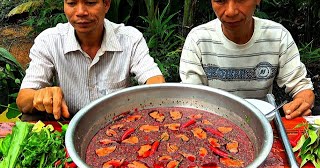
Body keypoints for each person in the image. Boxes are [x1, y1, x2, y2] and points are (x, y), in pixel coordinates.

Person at [16, 0, 165, 120]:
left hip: (119, 125)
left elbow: (154, 79)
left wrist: (153, 96)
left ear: (106, 4)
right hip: (68, 125)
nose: (81, 12)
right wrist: (38, 96)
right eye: (72, 3)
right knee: (28, 116)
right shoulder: (49, 41)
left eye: (90, 2)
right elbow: (23, 100)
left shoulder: (130, 39)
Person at [179, 0, 314, 120]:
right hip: (213, 124)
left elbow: (302, 88)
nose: (231, 11)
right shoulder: (198, 40)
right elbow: (192, 98)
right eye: (220, 0)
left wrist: (302, 102)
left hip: (261, 122)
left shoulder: (278, 36)